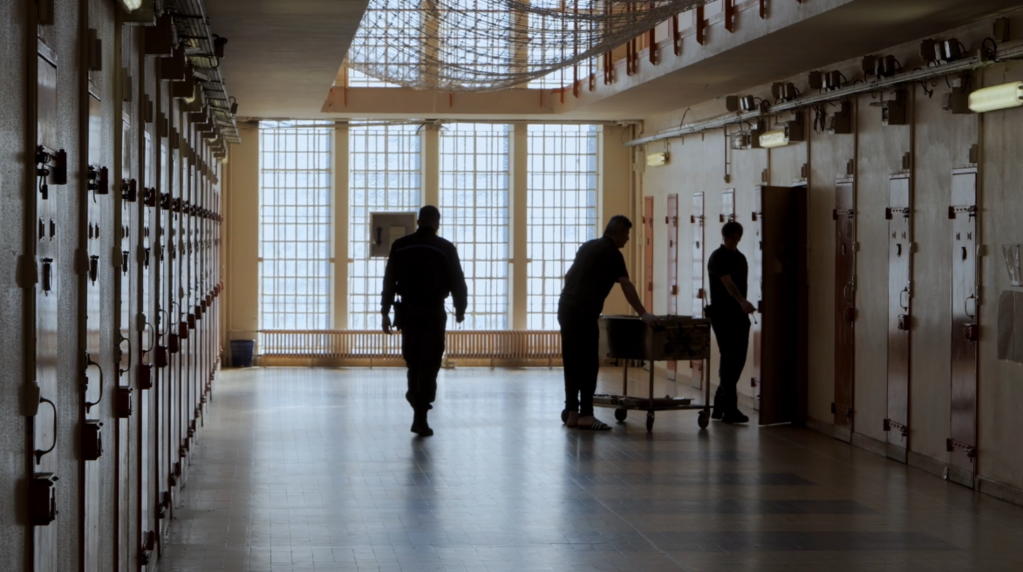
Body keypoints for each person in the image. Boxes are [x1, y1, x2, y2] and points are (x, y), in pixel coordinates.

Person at [559, 215, 660, 431]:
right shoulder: (614, 254)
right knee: (589, 363)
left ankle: (572, 413)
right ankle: (586, 414)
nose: (627, 239)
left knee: (572, 360)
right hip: (584, 311)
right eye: (627, 234)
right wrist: (643, 314)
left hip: (566, 307)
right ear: (619, 233)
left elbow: (568, 277)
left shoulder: (587, 246)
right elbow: (626, 286)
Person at [381, 205, 467, 437]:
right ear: (437, 223)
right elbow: (458, 281)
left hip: (408, 312)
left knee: (414, 359)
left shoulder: (401, 246)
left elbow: (389, 280)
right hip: (433, 312)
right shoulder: (445, 248)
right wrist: (460, 308)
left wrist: (385, 312)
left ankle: (414, 396)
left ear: (418, 221)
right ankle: (421, 413)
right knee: (430, 363)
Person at [707, 221, 755, 424]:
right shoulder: (718, 258)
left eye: (737, 237)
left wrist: (743, 306)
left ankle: (719, 404)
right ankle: (729, 408)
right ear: (725, 237)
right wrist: (743, 301)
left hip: (739, 315)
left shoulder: (741, 258)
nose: (734, 240)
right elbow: (728, 284)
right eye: (731, 237)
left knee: (738, 359)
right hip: (722, 314)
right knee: (728, 357)